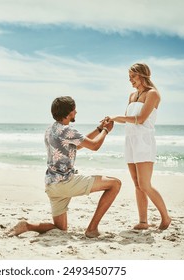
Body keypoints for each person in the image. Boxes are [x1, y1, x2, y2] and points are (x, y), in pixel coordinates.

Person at [8, 96, 121, 238]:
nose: (76, 112)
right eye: (74, 110)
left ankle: (27, 226)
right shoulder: (68, 131)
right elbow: (95, 146)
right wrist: (106, 130)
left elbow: (78, 145)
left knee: (60, 229)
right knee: (115, 184)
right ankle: (92, 229)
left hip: (52, 185)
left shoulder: (50, 129)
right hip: (66, 183)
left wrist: (99, 129)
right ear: (69, 113)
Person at [110, 63, 171, 230]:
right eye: (129, 77)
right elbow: (127, 119)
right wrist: (111, 120)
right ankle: (143, 222)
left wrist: (118, 117)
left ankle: (166, 216)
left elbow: (141, 119)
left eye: (133, 77)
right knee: (137, 185)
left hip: (144, 141)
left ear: (142, 75)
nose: (130, 80)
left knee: (145, 184)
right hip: (130, 141)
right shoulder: (132, 95)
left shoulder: (153, 94)